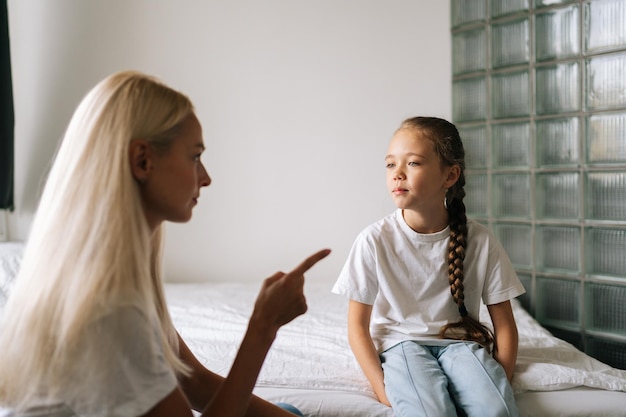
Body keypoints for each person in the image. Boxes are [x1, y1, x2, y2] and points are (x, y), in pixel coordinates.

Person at [0, 71, 330, 417]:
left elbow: (197, 383)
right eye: (195, 156)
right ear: (143, 160)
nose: (206, 177)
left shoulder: (108, 280)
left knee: (288, 411)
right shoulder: (111, 311)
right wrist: (263, 327)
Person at [332, 116, 525, 417]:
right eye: (390, 164)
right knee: (429, 412)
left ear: (450, 176)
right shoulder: (373, 240)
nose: (397, 174)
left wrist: (499, 381)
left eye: (413, 163)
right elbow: (357, 327)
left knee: (497, 410)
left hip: (461, 344)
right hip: (401, 345)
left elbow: (505, 326)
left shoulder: (480, 241)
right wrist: (382, 390)